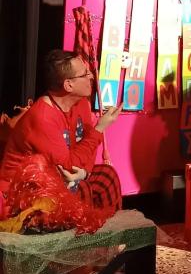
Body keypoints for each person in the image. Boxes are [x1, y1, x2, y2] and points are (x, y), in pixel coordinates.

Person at [0, 49, 123, 225]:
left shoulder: (82, 104)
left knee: (107, 176)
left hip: (60, 180)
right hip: (24, 194)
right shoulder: (43, 117)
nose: (91, 77)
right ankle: (86, 240)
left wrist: (84, 173)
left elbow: (87, 150)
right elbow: (69, 167)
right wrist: (99, 128)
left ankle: (113, 235)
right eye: (85, 74)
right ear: (68, 85)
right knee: (80, 191)